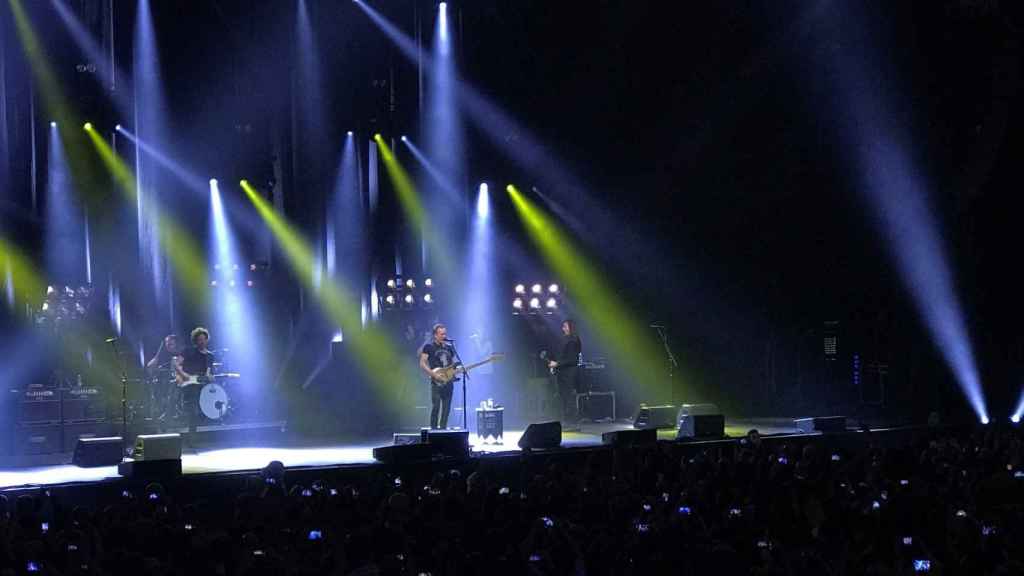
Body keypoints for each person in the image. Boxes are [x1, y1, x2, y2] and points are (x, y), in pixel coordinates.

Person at [420, 323, 462, 429]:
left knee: (446, 408)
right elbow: (422, 363)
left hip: (448, 381)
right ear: (435, 335)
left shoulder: (449, 347)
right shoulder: (429, 347)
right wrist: (433, 374)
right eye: (441, 334)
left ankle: (443, 430)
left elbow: (451, 363)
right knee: (436, 406)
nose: (444, 336)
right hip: (436, 382)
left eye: (445, 334)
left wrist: (456, 370)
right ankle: (433, 430)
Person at [177, 327, 214, 430]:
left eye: (204, 339)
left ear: (207, 340)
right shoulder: (188, 351)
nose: (202, 342)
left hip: (202, 384)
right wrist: (182, 375)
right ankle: (191, 435)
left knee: (205, 407)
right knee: (192, 410)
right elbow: (177, 364)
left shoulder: (210, 356)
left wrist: (210, 376)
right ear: (195, 341)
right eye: (199, 340)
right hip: (189, 384)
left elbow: (208, 372)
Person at [548, 319, 582, 426]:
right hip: (563, 372)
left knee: (568, 397)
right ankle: (567, 421)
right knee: (564, 397)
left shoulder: (573, 340)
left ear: (571, 327)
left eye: (565, 326)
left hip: (568, 373)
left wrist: (557, 364)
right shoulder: (567, 339)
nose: (563, 328)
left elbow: (572, 359)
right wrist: (555, 365)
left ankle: (571, 422)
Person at [146, 334, 182, 420]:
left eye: (171, 344)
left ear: (176, 344)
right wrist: (153, 364)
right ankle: (160, 411)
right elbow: (149, 366)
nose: (168, 346)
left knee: (172, 387)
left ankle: (170, 412)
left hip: (181, 379)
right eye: (166, 344)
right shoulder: (163, 354)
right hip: (167, 380)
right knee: (156, 385)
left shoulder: (181, 353)